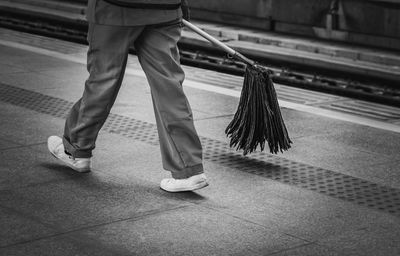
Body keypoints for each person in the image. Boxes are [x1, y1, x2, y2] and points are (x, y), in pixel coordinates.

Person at [47, 0, 208, 192]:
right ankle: (189, 169)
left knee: (103, 80)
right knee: (168, 86)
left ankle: (77, 149)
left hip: (115, 8)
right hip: (165, 9)